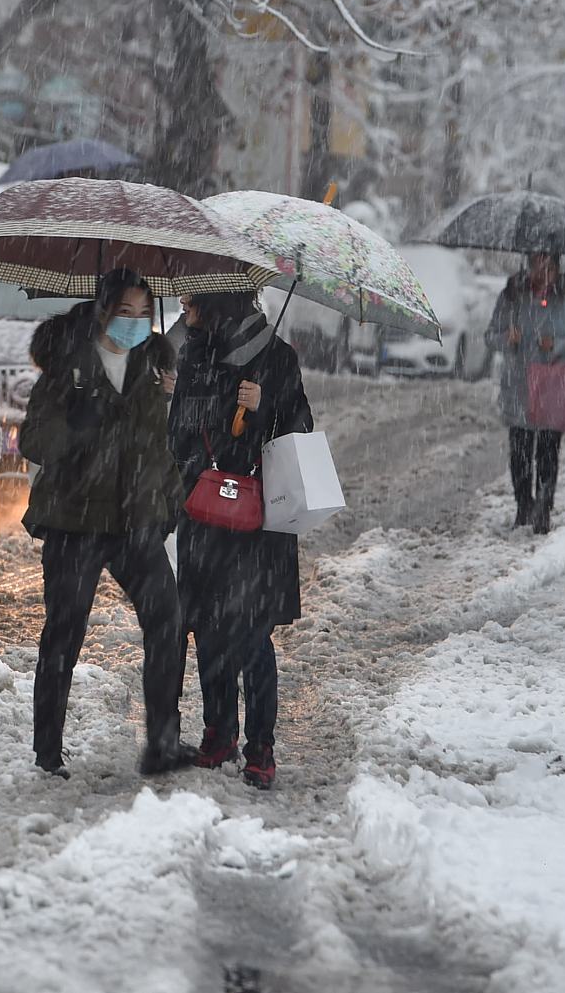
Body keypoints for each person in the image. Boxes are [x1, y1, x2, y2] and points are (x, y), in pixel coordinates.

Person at [18, 268, 196, 779]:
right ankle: (47, 749)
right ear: (102, 311)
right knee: (64, 634)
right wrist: (75, 421)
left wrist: (168, 501)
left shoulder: (153, 366)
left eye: (144, 313)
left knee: (168, 620)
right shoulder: (67, 366)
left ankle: (163, 741)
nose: (137, 323)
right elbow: (33, 442)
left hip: (136, 519)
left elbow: (157, 445)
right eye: (126, 312)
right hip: (75, 520)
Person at [168, 292, 312, 790]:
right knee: (208, 632)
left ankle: (261, 745)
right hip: (204, 516)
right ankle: (219, 731)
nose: (185, 311)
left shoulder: (277, 357)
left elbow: (301, 431)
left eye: (192, 304)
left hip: (257, 522)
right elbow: (177, 436)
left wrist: (264, 405)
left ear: (217, 304)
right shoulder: (191, 354)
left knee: (252, 637)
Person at [484, 252, 565, 534]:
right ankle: (523, 506)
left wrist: (557, 344)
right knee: (519, 451)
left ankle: (543, 509)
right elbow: (490, 336)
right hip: (518, 385)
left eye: (549, 266)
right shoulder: (512, 296)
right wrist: (507, 338)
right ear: (529, 265)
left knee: (547, 451)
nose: (543, 272)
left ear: (558, 268)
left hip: (552, 388)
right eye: (537, 264)